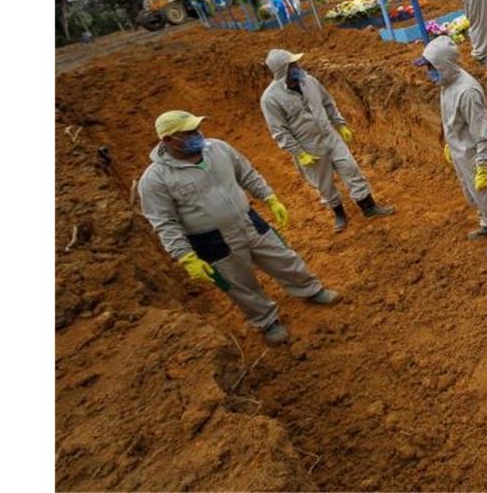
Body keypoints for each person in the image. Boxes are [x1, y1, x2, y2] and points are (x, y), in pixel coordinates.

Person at [138, 110, 341, 346]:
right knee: (239, 283)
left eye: (196, 129)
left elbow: (246, 173)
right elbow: (164, 222)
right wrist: (185, 256)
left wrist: (269, 198)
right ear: (168, 140)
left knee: (283, 257)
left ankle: (310, 289)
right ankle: (266, 321)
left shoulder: (218, 148)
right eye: (188, 133)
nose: (197, 134)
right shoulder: (155, 180)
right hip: (212, 240)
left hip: (248, 220)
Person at [260, 49, 395, 232]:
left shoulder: (309, 81)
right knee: (323, 183)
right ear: (282, 70)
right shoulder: (270, 99)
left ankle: (369, 207)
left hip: (329, 135)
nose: (297, 67)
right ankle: (339, 214)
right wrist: (299, 153)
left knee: (350, 168)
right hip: (308, 146)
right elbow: (279, 131)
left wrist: (340, 125)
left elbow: (327, 102)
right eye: (292, 65)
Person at [414, 36, 487, 257]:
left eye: (431, 67)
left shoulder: (467, 92)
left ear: (444, 64)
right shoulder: (447, 84)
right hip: (460, 152)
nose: (429, 73)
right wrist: (450, 144)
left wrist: (484, 164)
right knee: (473, 193)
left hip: (475, 155)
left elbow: (483, 134)